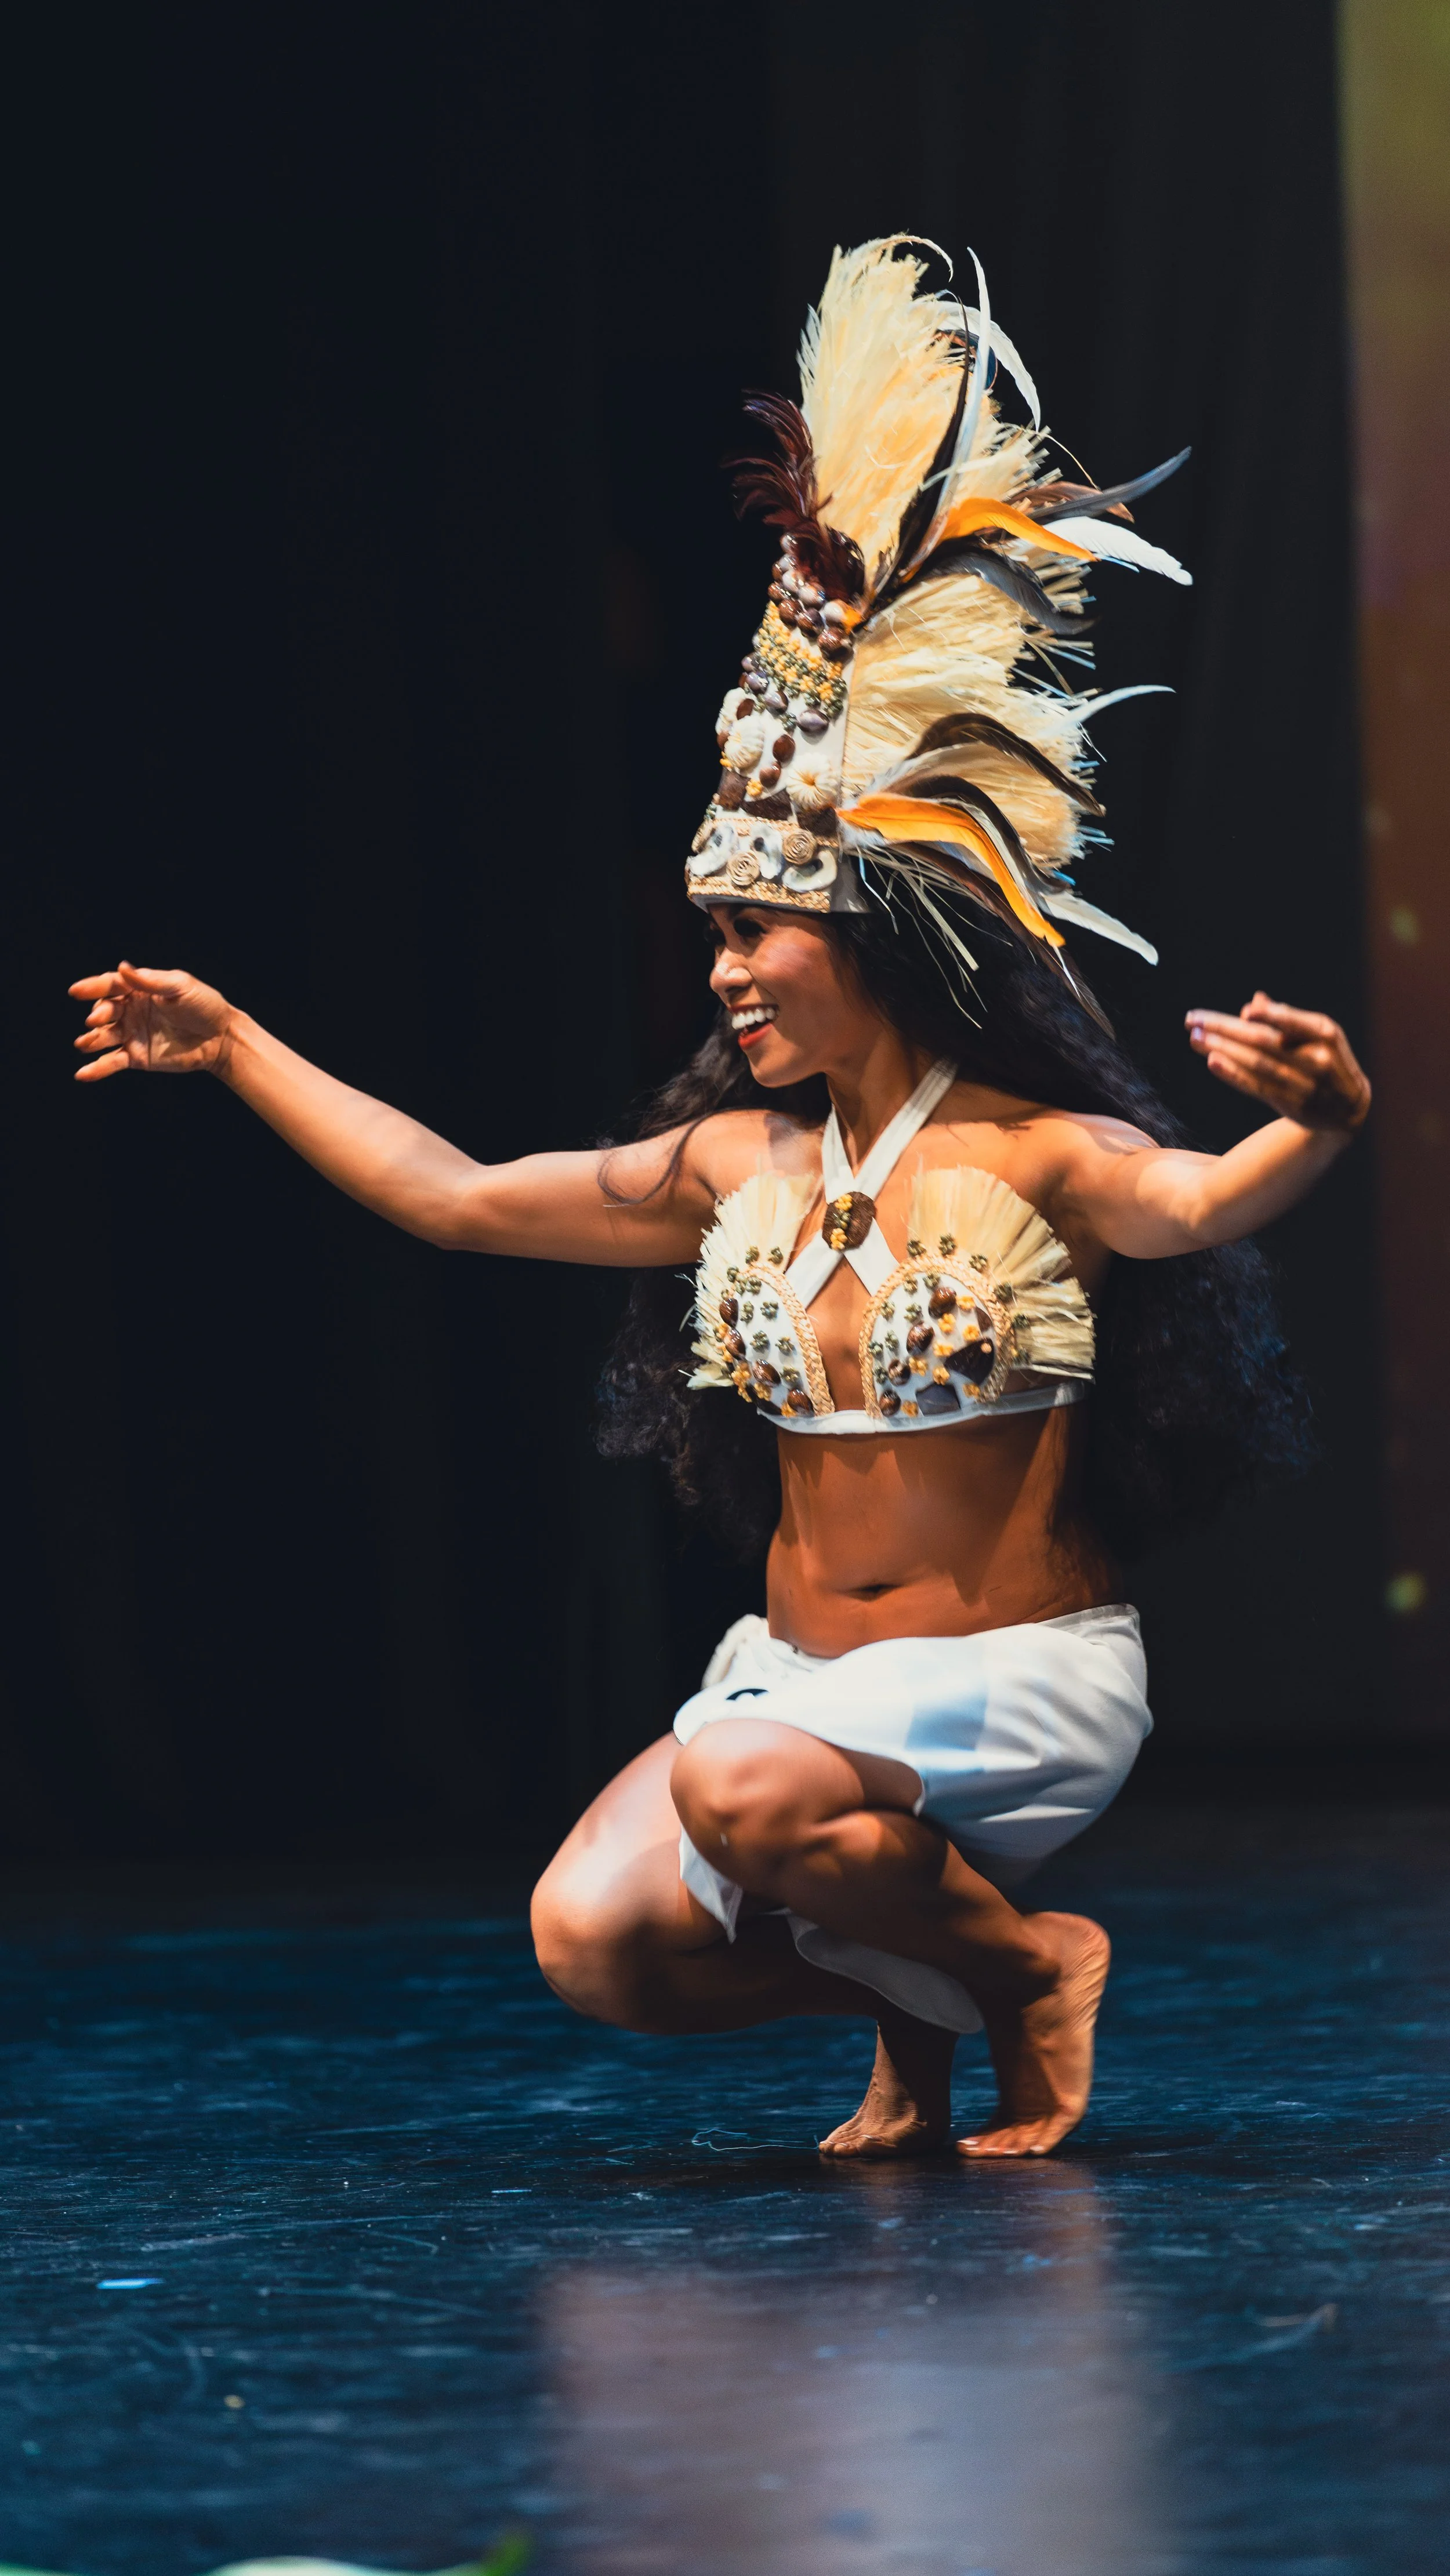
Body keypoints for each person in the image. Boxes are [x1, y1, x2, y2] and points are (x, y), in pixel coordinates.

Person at [70, 238, 1369, 2158]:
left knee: (742, 1797)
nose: (724, 972)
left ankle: (1026, 1967)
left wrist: (1319, 1125)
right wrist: (237, 1044)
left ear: (870, 932)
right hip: (789, 1693)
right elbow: (454, 1197)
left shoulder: (1027, 1151)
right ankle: (929, 1993)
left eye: (754, 929)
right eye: (714, 935)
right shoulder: (726, 1165)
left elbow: (1197, 1201)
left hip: (1008, 1683)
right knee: (595, 1942)